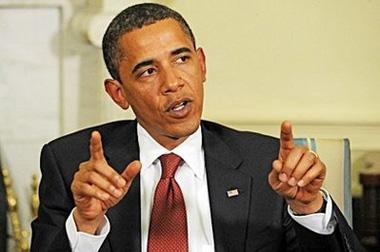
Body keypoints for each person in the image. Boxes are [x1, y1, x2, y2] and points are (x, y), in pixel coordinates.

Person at [31, 3, 364, 252]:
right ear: (118, 93)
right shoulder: (72, 165)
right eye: (148, 71)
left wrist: (307, 209)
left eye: (181, 59)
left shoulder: (268, 164)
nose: (173, 82)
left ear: (201, 64)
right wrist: (86, 225)